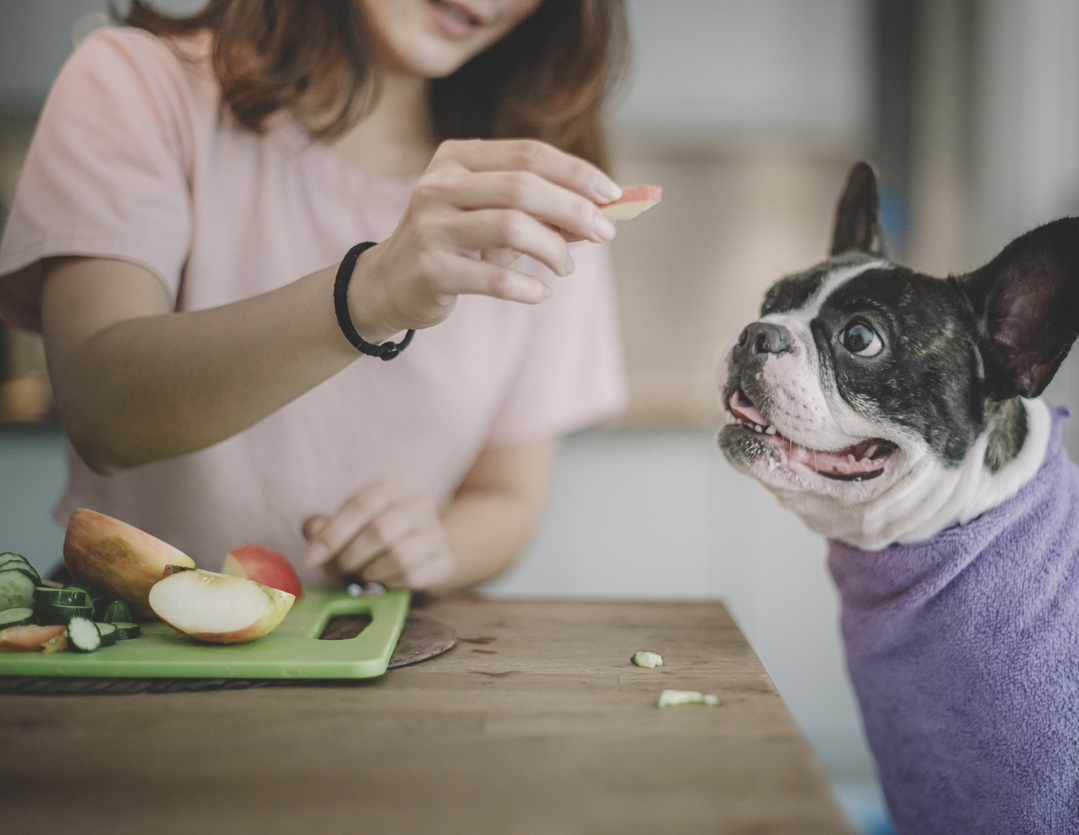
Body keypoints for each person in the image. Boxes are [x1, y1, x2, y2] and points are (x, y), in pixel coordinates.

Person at [0, 0, 629, 593]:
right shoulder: (137, 85)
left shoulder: (539, 191)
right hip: (131, 651)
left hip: (379, 652)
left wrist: (436, 546)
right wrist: (369, 293)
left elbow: (508, 495)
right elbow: (103, 413)